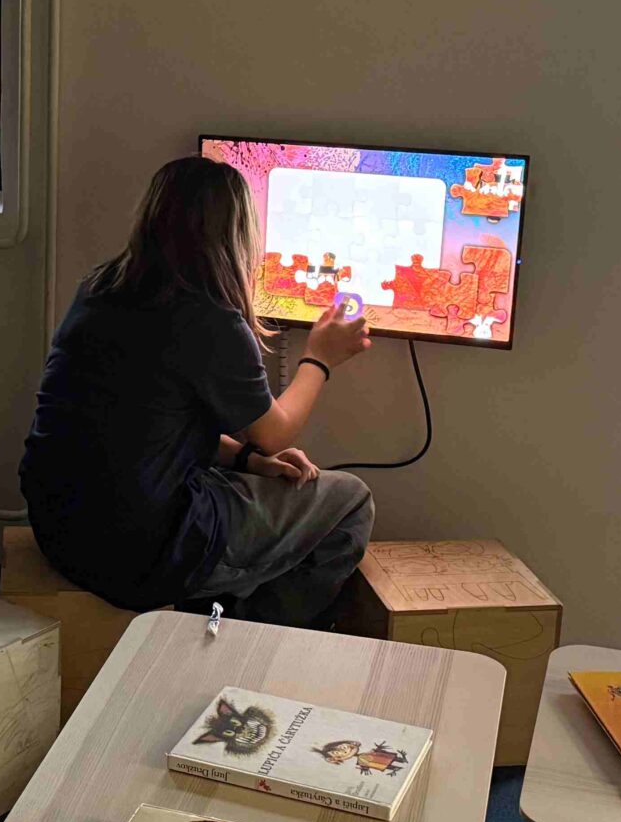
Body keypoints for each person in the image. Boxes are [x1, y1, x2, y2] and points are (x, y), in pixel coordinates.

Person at [20, 155, 378, 625]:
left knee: (253, 488)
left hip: (58, 528)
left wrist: (247, 461)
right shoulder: (209, 320)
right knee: (351, 500)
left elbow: (138, 430)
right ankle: (251, 631)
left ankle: (222, 599)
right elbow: (275, 433)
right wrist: (320, 358)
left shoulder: (101, 286)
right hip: (139, 554)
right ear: (237, 236)